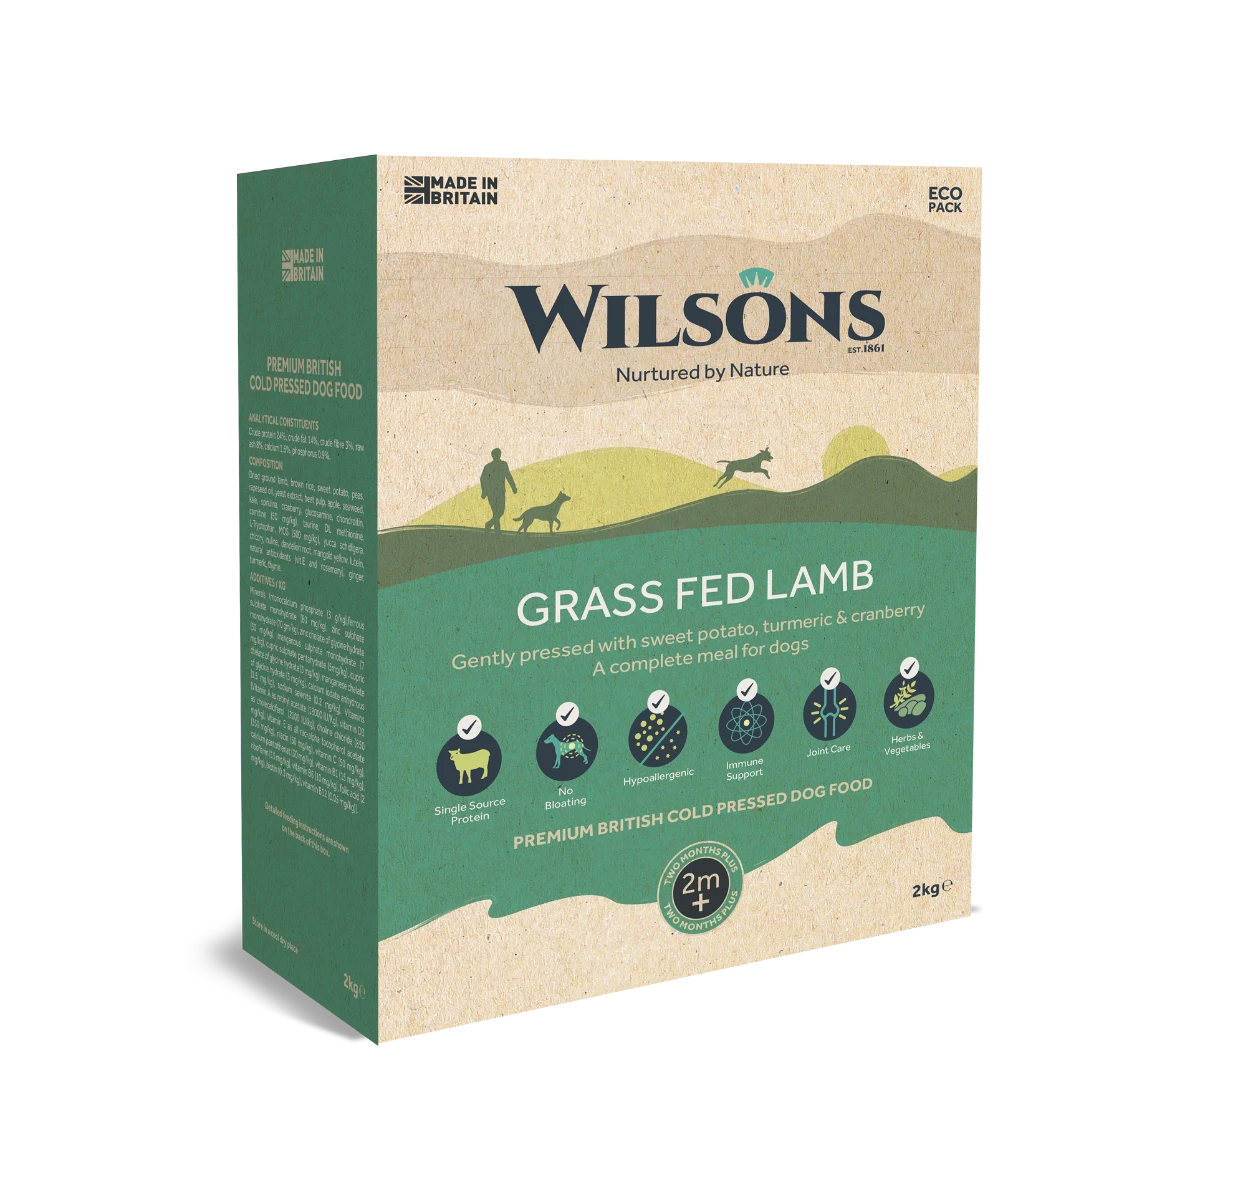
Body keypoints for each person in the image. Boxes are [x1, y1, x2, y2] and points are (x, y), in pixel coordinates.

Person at [480, 448, 517, 531]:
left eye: (497, 454)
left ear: (500, 455)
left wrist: (513, 487)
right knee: (496, 512)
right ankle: (497, 531)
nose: (496, 456)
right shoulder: (488, 466)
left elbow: (508, 476)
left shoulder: (504, 464)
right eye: (494, 455)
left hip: (501, 492)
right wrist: (484, 492)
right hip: (491, 493)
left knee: (501, 511)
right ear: (492, 456)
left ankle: (489, 524)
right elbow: (483, 479)